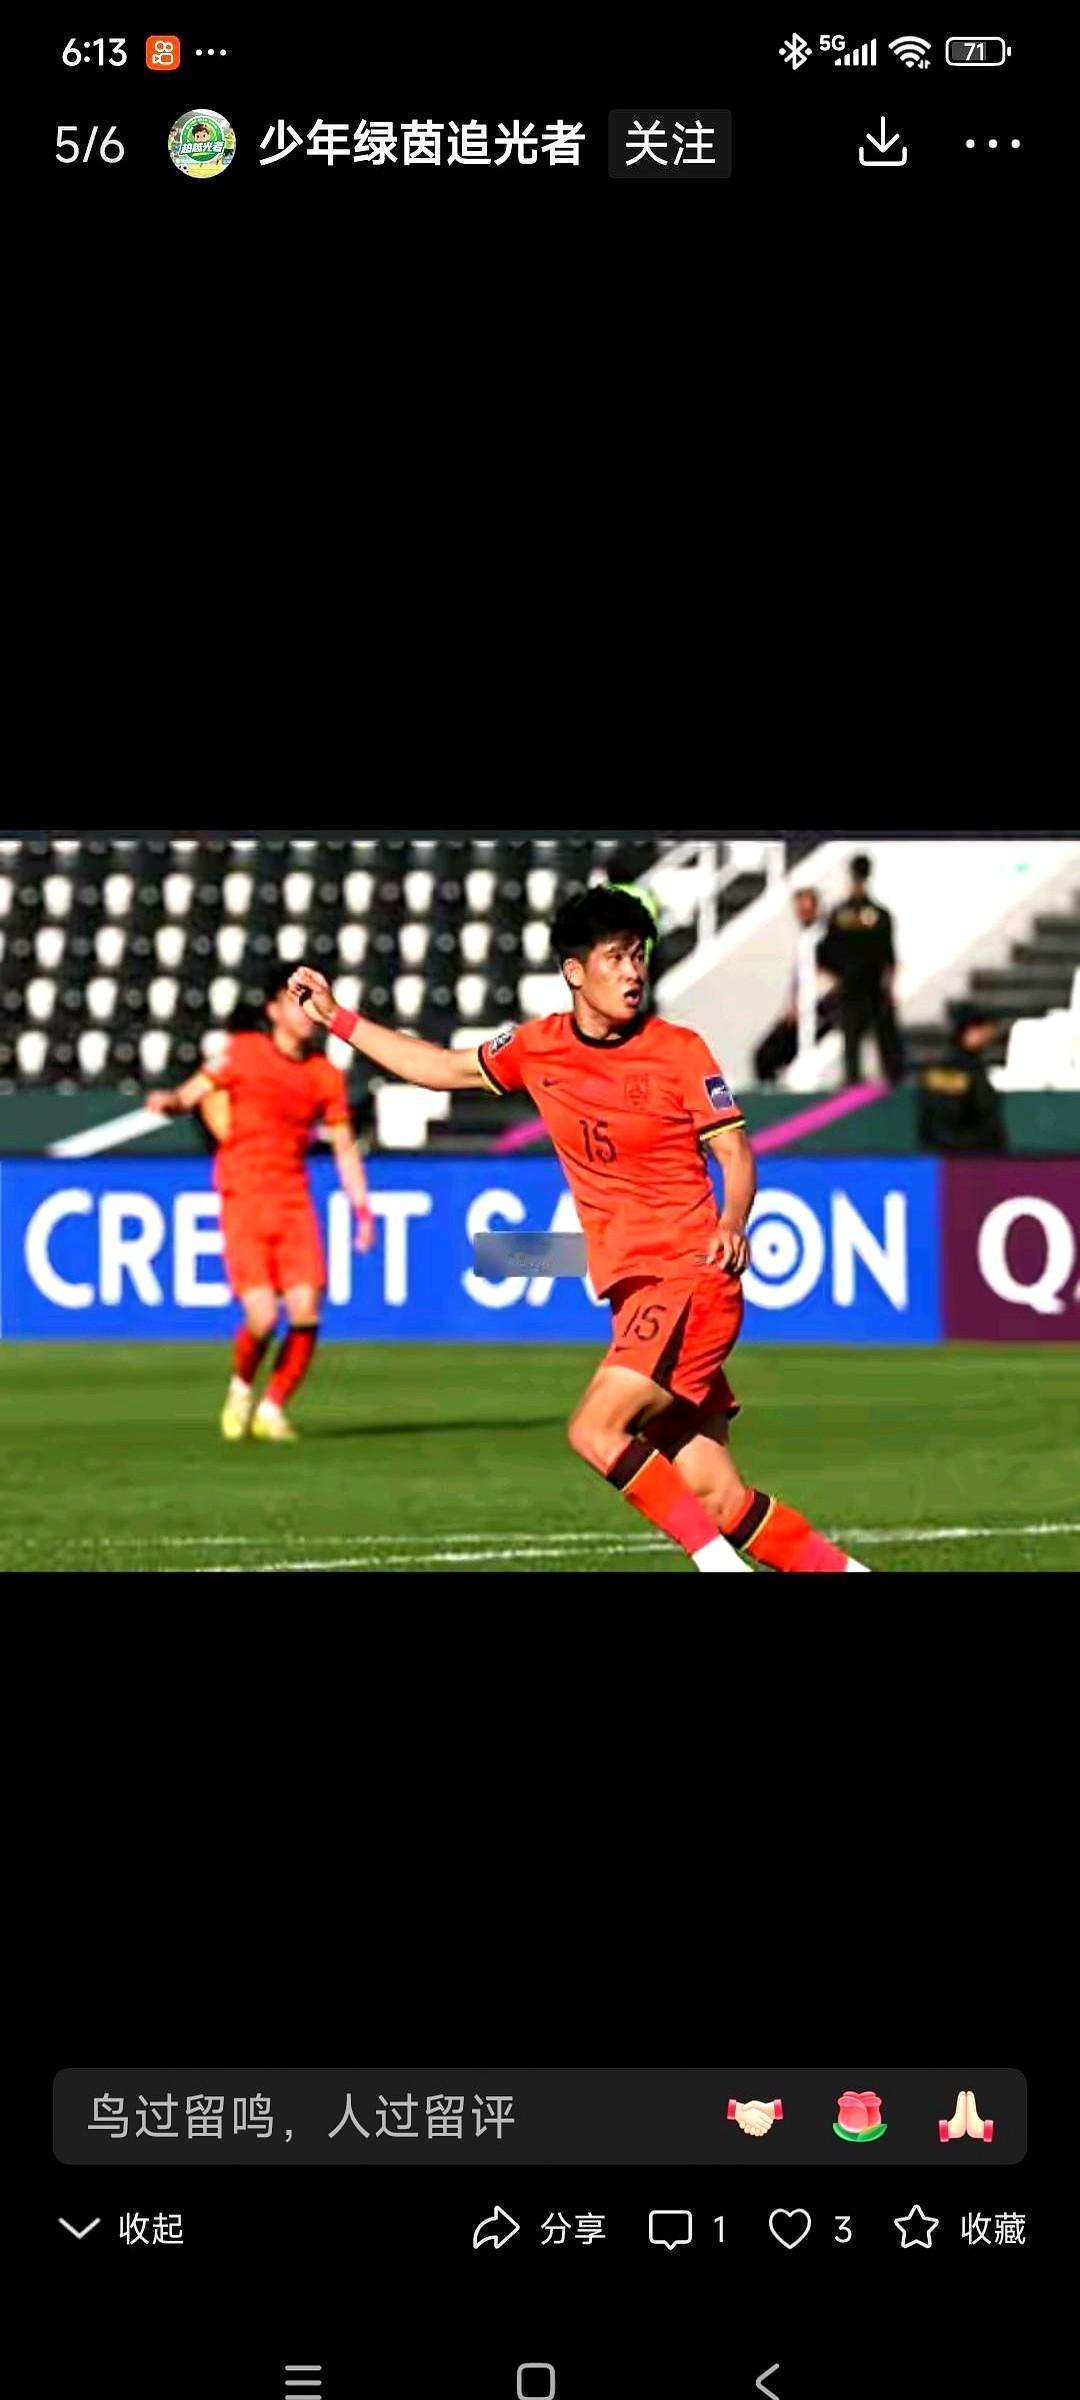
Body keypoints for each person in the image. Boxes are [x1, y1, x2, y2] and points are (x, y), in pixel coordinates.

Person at [288, 888, 870, 1573]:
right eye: (616, 957)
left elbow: (735, 1152)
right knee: (718, 1500)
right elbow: (441, 1067)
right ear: (574, 971)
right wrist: (338, 1019)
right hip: (638, 1292)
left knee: (596, 1429)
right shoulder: (536, 1047)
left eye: (639, 957)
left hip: (688, 1277)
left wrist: (732, 1220)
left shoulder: (679, 1050)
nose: (633, 972)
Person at [145, 982, 377, 1440]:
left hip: (294, 1200)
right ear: (273, 1010)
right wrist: (169, 1103)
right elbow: (192, 1093)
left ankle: (272, 1407)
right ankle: (241, 1387)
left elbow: (344, 1148)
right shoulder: (243, 1052)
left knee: (306, 1309)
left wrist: (362, 1210)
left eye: (310, 1004)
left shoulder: (324, 1075)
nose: (306, 1013)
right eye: (296, 1003)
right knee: (263, 1317)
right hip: (244, 1198)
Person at [818, 854, 904, 1087]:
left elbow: (889, 958)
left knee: (878, 1041)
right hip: (859, 987)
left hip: (867, 988)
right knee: (855, 1042)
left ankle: (880, 1081)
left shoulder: (849, 914)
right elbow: (825, 954)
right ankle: (861, 1083)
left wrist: (889, 986)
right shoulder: (864, 914)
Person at [753, 887, 840, 1084]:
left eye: (805, 908)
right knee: (763, 1056)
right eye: (798, 909)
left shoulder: (827, 937)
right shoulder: (806, 939)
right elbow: (799, 978)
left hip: (822, 1012)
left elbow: (834, 977)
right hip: (801, 1011)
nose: (801, 913)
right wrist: (792, 1004)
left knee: (779, 1056)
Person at [916, 1002, 1008, 1153]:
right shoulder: (949, 1071)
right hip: (961, 1156)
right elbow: (945, 1122)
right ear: (970, 1030)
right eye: (983, 1028)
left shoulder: (972, 1067)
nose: (989, 1034)